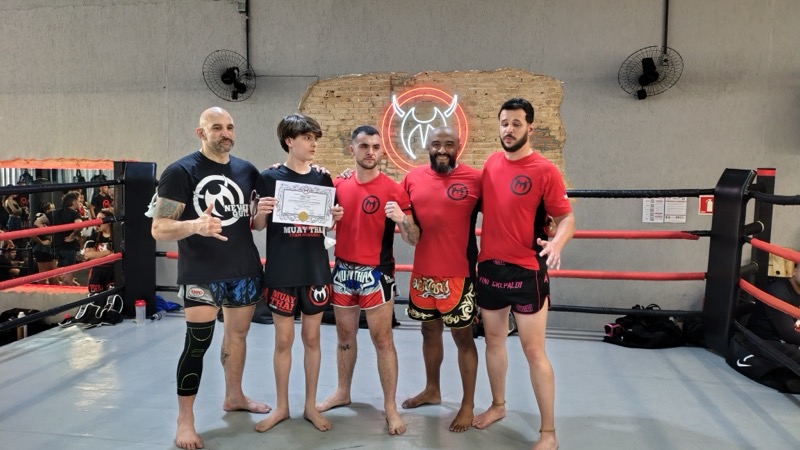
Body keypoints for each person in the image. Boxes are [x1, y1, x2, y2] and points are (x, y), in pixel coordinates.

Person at [151, 106, 269, 450]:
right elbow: (159, 228)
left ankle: (234, 396)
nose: (225, 133)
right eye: (216, 127)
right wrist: (195, 225)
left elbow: (252, 223)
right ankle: (185, 420)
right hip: (202, 273)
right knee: (197, 343)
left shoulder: (247, 170)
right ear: (201, 133)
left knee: (237, 336)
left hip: (244, 270)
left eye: (229, 127)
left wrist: (262, 214)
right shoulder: (180, 171)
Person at [473, 98, 575, 450]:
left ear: (530, 127)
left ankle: (548, 433)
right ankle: (498, 406)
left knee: (534, 351)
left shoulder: (545, 170)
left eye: (516, 123)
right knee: (494, 342)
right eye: (504, 123)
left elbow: (566, 217)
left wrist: (557, 243)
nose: (509, 129)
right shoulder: (490, 164)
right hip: (490, 268)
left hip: (527, 271)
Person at [316, 125, 419, 436]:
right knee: (344, 337)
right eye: (364, 146)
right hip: (343, 271)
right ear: (352, 150)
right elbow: (320, 222)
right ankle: (342, 391)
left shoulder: (394, 189)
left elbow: (414, 238)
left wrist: (402, 220)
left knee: (383, 340)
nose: (370, 152)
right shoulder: (338, 185)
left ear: (381, 151)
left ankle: (390, 406)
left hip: (377, 273)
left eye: (375, 146)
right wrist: (328, 218)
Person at [251, 113, 344, 433]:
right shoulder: (268, 177)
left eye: (315, 138)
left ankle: (310, 407)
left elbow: (327, 225)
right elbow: (257, 225)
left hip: (315, 269)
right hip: (282, 270)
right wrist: (260, 213)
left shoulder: (323, 178)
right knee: (283, 340)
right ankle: (281, 407)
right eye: (307, 138)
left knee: (313, 338)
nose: (313, 144)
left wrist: (334, 217)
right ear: (289, 141)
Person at [399, 126, 482, 432]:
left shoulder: (476, 179)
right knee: (428, 332)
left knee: (463, 338)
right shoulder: (412, 178)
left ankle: (468, 404)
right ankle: (432, 390)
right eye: (436, 144)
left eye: (449, 144)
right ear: (427, 147)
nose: (442, 149)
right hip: (423, 272)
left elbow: (506, 209)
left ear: (459, 146)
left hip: (459, 273)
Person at [737, 263, 800, 392]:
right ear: (794, 271)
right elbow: (788, 334)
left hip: (787, 342)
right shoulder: (779, 291)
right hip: (766, 341)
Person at [47, 191, 84, 286]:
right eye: (78, 201)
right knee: (67, 277)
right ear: (73, 202)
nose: (80, 203)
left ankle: (58, 293)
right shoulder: (74, 213)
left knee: (57, 275)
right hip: (68, 247)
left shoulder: (54, 213)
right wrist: (73, 235)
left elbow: (38, 222)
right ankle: (66, 294)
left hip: (55, 247)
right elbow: (80, 226)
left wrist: (47, 234)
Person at [82, 209, 115, 293]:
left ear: (108, 221)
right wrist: (108, 252)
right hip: (96, 274)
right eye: (96, 218)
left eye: (100, 218)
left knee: (112, 296)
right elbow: (87, 255)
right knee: (96, 297)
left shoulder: (116, 236)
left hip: (113, 273)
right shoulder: (95, 236)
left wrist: (96, 255)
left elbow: (116, 256)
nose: (97, 221)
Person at [32, 202, 59, 285]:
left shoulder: (50, 220)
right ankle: (41, 291)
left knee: (53, 271)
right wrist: (42, 242)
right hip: (41, 249)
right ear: (47, 210)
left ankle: (53, 290)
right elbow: (32, 234)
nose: (55, 210)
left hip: (49, 248)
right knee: (43, 273)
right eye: (52, 209)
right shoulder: (41, 219)